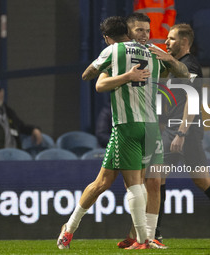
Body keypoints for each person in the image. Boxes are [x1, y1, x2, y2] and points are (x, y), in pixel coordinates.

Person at [57, 16, 166, 250]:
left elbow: (88, 76)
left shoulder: (113, 51)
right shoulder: (152, 51)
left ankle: (142, 239)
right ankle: (141, 238)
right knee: (113, 182)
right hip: (150, 125)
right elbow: (174, 71)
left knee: (120, 183)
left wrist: (112, 71)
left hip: (126, 125)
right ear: (129, 31)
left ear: (107, 38)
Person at [154, 23, 210, 243]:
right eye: (167, 38)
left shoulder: (191, 67)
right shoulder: (178, 66)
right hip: (175, 130)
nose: (166, 42)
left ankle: (154, 233)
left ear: (185, 42)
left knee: (188, 179)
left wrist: (181, 133)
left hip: (186, 132)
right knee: (164, 178)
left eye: (172, 39)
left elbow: (192, 103)